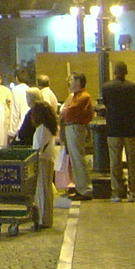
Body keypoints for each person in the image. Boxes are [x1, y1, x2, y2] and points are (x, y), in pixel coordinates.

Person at [101, 61, 135, 202]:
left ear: (114, 72)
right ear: (126, 72)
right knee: (132, 162)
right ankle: (133, 192)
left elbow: (106, 104)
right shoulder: (134, 87)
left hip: (114, 127)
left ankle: (117, 193)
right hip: (131, 127)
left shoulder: (106, 87)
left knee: (115, 162)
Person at [60, 73, 94, 201]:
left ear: (78, 81)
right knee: (75, 159)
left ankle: (84, 189)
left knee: (78, 158)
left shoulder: (84, 97)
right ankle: (80, 187)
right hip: (72, 127)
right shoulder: (74, 96)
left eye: (71, 80)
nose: (69, 82)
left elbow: (67, 111)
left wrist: (64, 110)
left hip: (75, 127)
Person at [29, 90, 60, 229]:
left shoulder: (41, 130)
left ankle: (43, 219)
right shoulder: (48, 128)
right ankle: (46, 218)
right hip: (48, 159)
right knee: (46, 190)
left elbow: (38, 148)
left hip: (42, 161)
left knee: (42, 191)